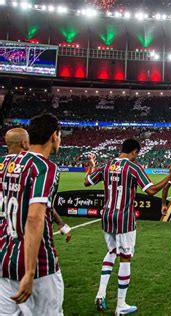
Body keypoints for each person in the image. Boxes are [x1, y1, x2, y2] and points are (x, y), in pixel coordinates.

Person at [84, 139, 171, 315]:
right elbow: (151, 191)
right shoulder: (133, 168)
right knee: (125, 257)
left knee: (112, 252)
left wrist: (92, 165)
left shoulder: (106, 166)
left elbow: (87, 182)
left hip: (107, 216)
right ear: (134, 152)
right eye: (137, 154)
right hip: (124, 218)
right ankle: (120, 305)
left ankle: (100, 293)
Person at [0, 113, 64, 315]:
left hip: (4, 260)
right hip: (38, 266)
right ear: (54, 136)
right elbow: (35, 217)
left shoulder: (6, 164)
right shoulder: (44, 167)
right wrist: (29, 271)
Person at [0, 127, 72, 241]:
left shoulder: (4, 164)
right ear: (24, 143)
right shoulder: (33, 167)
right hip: (25, 234)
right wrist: (61, 224)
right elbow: (41, 202)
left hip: (5, 234)